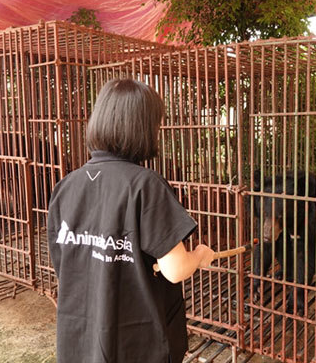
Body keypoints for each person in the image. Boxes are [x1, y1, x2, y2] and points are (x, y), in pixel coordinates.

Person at [47, 78, 215, 363]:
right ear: (141, 127)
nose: (157, 132)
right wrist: (199, 255)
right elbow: (174, 269)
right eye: (156, 124)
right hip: (136, 341)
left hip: (80, 338)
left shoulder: (66, 187)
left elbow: (64, 262)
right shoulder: (144, 186)